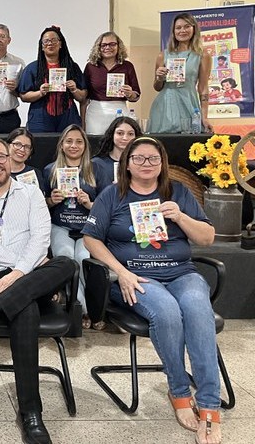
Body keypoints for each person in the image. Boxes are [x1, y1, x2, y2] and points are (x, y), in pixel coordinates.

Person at [82, 136, 221, 444]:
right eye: (139, 158)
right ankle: (179, 390)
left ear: (162, 164)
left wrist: (180, 216)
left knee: (198, 310)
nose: (146, 164)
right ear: (127, 164)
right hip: (136, 278)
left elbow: (207, 238)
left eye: (153, 159)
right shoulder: (112, 195)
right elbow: (91, 238)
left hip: (182, 273)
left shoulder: (178, 192)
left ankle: (210, 404)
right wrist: (120, 272)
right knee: (167, 312)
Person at [0, 136, 76, 444]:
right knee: (26, 309)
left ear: (10, 158)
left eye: (1, 156)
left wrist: (21, 272)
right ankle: (31, 413)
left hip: (29, 270)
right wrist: (22, 269)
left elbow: (41, 238)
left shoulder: (32, 193)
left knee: (66, 263)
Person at [43, 125, 109, 329]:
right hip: (60, 225)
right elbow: (40, 205)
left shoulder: (96, 169)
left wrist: (89, 204)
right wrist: (51, 201)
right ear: (61, 145)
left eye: (79, 141)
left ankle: (83, 307)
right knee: (66, 258)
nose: (74, 145)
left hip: (87, 229)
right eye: (69, 141)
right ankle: (85, 310)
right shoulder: (50, 170)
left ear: (85, 146)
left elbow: (107, 206)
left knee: (81, 258)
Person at [149, 13, 212, 133]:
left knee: (188, 140)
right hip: (165, 105)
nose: (182, 30)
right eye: (178, 28)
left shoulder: (203, 55)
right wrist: (159, 78)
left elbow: (203, 88)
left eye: (187, 26)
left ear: (194, 29)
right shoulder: (163, 55)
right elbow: (157, 87)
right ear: (173, 31)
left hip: (189, 102)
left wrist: (204, 117)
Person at [19, 26, 87, 133]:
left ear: (60, 44)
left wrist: (74, 90)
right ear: (42, 46)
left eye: (54, 40)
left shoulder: (72, 67)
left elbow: (83, 96)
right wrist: (40, 93)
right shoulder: (32, 68)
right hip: (40, 118)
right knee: (41, 143)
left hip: (68, 117)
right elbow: (23, 96)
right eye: (46, 41)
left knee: (69, 142)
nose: (50, 43)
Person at [82, 32, 141, 135]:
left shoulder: (127, 66)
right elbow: (84, 97)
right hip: (96, 112)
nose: (108, 47)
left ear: (118, 46)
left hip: (120, 111)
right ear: (98, 47)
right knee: (95, 142)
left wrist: (130, 94)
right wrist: (82, 121)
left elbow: (136, 95)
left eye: (112, 44)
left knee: (120, 141)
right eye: (104, 45)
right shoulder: (91, 67)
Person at [91, 117, 142, 185]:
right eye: (120, 133)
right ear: (112, 135)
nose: (125, 138)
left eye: (130, 134)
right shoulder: (96, 163)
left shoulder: (142, 163)